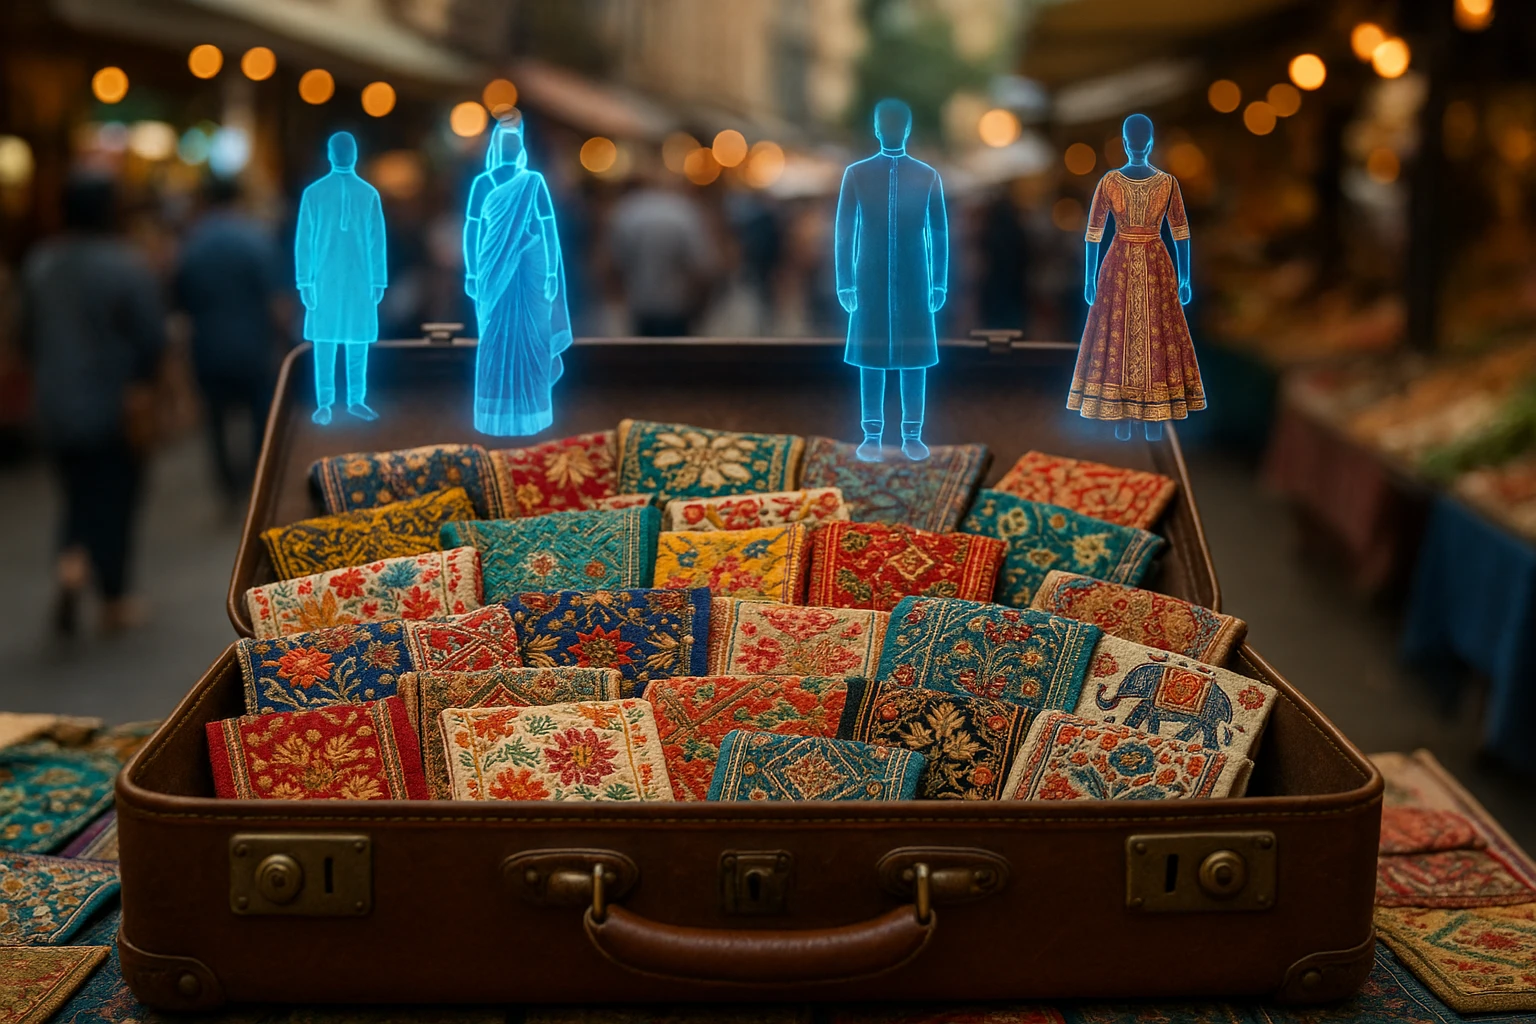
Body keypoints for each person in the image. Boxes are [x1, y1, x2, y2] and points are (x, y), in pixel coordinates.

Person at [16, 172, 166, 635]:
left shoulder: (39, 264)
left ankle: (71, 560)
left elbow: (24, 337)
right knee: (116, 496)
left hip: (56, 403)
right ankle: (114, 598)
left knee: (76, 491)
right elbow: (151, 338)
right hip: (113, 402)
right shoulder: (125, 265)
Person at [1069, 113, 1205, 441]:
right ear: (1134, 143)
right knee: (1128, 332)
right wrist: (1184, 275)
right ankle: (1129, 416)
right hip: (1137, 262)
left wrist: (1185, 277)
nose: (1139, 147)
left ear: (1132, 143)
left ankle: (1143, 417)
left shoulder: (1132, 182)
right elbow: (1094, 232)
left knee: (1141, 333)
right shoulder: (1126, 182)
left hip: (1135, 262)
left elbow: (1180, 231)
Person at [834, 98, 948, 462]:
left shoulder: (928, 175)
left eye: (896, 125)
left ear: (907, 130)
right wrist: (845, 281)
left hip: (916, 275)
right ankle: (872, 433)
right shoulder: (856, 173)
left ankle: (912, 433)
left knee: (914, 355)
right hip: (869, 274)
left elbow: (940, 232)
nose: (891, 131)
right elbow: (843, 230)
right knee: (871, 355)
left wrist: (939, 282)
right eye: (885, 125)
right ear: (876, 129)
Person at [174, 176, 281, 502]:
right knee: (260, 416)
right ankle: (254, 481)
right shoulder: (255, 239)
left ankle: (227, 485)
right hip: (252, 344)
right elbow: (275, 298)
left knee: (216, 419)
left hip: (208, 346)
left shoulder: (193, 243)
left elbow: (181, 299)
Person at [468, 111, 571, 435]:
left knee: (532, 338)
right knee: (495, 338)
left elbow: (548, 226)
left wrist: (552, 271)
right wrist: (472, 272)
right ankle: (495, 414)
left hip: (529, 270)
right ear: (498, 148)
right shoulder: (483, 183)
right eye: (507, 144)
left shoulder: (533, 181)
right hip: (493, 271)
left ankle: (532, 412)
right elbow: (473, 229)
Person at [294, 132, 387, 425]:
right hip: (324, 279)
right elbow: (304, 240)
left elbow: (377, 241)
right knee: (325, 343)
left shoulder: (369, 194)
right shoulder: (314, 193)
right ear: (331, 154)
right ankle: (324, 403)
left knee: (357, 341)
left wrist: (378, 281)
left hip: (359, 279)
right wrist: (305, 281)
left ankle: (357, 399)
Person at [609, 173, 715, 336]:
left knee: (640, 357)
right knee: (676, 357)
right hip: (676, 305)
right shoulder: (684, 211)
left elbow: (614, 262)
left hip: (640, 303)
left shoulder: (628, 211)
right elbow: (701, 266)